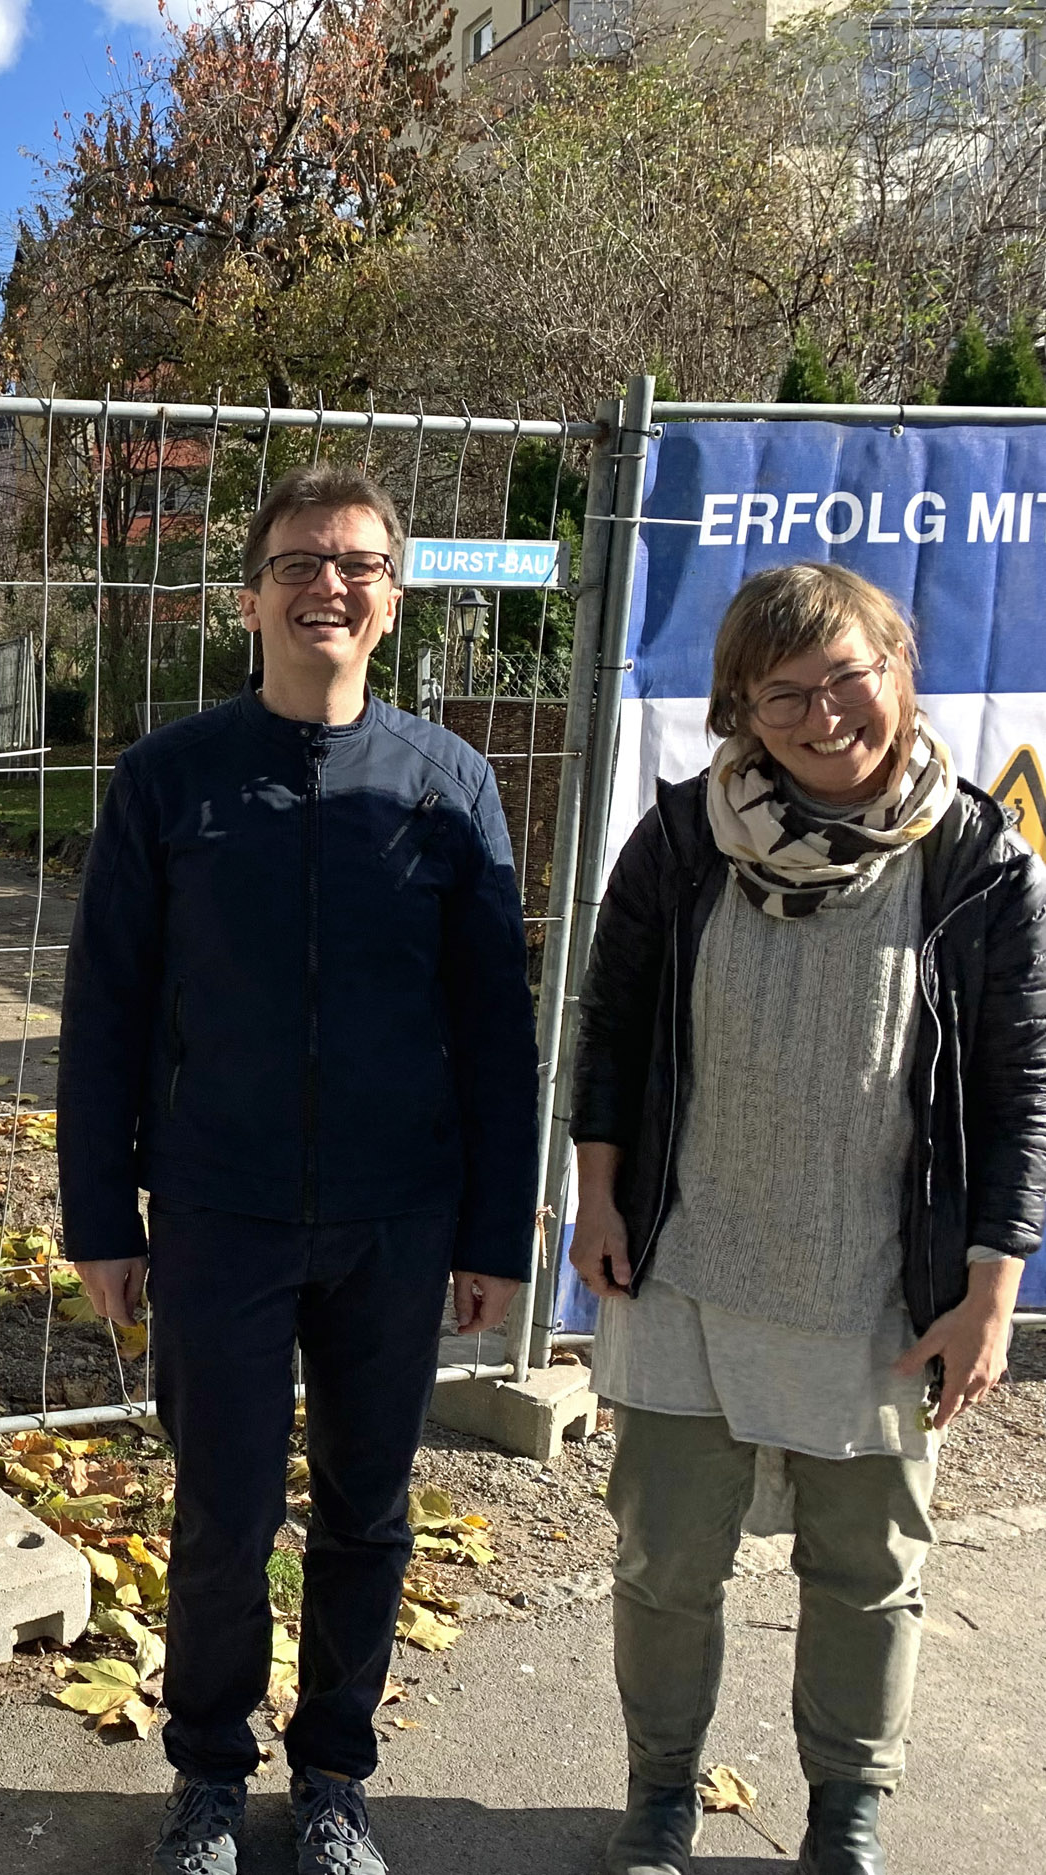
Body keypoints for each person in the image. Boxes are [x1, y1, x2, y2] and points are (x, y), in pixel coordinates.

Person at [60, 463, 540, 1875]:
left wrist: (493, 1234)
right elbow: (105, 1014)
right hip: (220, 1209)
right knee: (220, 1508)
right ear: (252, 591)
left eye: (359, 562)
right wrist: (103, 1215)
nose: (328, 582)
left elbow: (494, 1035)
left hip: (400, 1218)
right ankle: (209, 1772)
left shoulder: (450, 784)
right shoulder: (168, 782)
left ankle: (334, 1773)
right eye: (300, 560)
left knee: (370, 1509)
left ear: (392, 597)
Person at [569, 562, 1039, 1875]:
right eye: (785, 693)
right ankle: (661, 1787)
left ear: (898, 659)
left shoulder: (977, 858)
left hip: (878, 1293)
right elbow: (609, 1032)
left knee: (867, 1570)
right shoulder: (676, 839)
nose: (825, 712)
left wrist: (990, 1285)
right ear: (739, 710)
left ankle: (847, 1807)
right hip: (687, 1268)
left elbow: (1021, 1086)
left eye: (849, 674)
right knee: (666, 1561)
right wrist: (599, 1191)